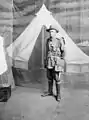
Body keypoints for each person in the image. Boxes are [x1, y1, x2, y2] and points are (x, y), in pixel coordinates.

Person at [41, 25, 65, 102]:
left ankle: (58, 94)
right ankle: (50, 91)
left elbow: (63, 52)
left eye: (52, 31)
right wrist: (45, 61)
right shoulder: (48, 40)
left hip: (56, 61)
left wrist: (60, 62)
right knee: (49, 77)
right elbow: (46, 51)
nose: (51, 33)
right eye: (50, 31)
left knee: (57, 78)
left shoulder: (59, 40)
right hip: (49, 61)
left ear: (56, 32)